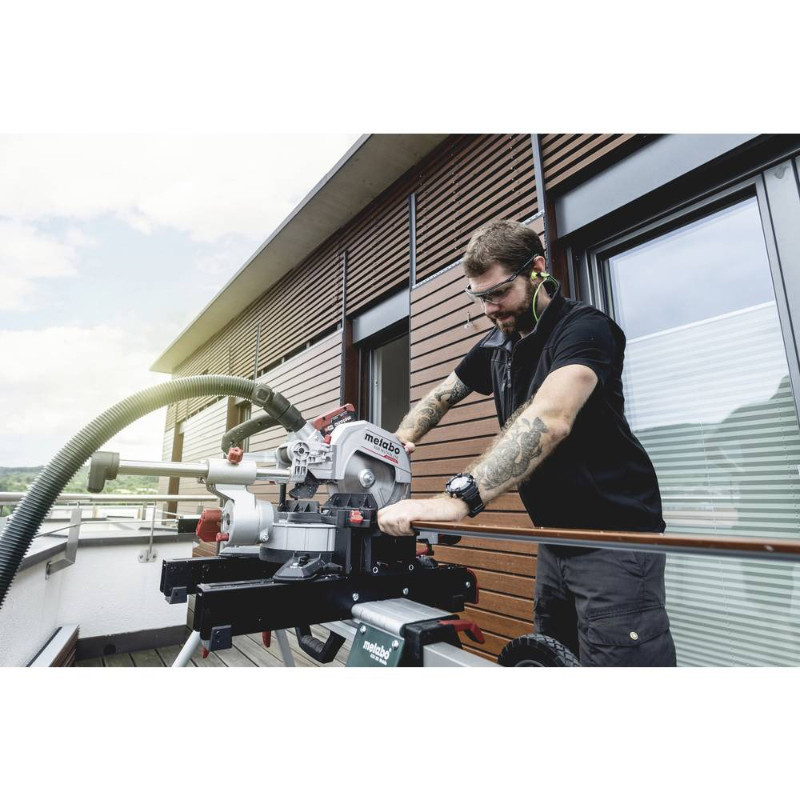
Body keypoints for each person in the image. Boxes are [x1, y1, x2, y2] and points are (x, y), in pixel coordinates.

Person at [377, 219, 676, 667]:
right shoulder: (499, 342)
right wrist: (396, 442)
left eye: (499, 293)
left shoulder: (585, 329)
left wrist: (460, 499)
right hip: (554, 539)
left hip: (615, 542)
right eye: (480, 297)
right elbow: (442, 396)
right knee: (553, 662)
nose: (490, 309)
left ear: (537, 269)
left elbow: (550, 419)